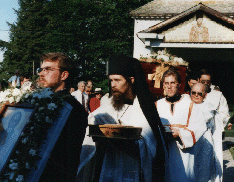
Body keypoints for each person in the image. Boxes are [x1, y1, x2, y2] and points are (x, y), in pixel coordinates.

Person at [77, 55, 168, 182]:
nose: (113, 85)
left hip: (134, 169)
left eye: (117, 80)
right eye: (111, 80)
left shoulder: (144, 109)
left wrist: (129, 143)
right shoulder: (107, 105)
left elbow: (153, 147)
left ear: (131, 80)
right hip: (107, 166)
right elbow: (91, 127)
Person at [156, 69, 215, 181]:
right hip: (164, 154)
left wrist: (180, 134)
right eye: (166, 83)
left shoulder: (190, 105)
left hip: (184, 155)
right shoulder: (157, 105)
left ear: (179, 84)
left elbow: (200, 126)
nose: (169, 86)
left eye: (173, 83)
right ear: (163, 85)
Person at [37, 52, 88, 181]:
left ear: (64, 75)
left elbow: (67, 155)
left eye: (48, 69)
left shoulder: (72, 108)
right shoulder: (42, 101)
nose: (41, 74)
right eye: (41, 69)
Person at [198, 69, 230, 181]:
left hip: (212, 132)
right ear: (198, 80)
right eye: (203, 81)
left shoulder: (218, 95)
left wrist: (214, 120)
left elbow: (224, 113)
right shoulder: (194, 92)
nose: (206, 83)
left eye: (208, 81)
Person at [190, 82, 222, 180]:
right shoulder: (186, 104)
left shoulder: (209, 107)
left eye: (199, 93)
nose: (196, 95)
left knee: (203, 172)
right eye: (193, 92)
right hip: (190, 143)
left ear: (205, 95)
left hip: (204, 143)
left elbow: (200, 120)